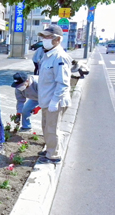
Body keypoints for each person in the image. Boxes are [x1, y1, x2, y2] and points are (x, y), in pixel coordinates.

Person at [37, 25, 72, 164]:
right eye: (44, 37)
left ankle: (53, 155)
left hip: (55, 102)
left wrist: (54, 101)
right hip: (47, 100)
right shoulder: (48, 55)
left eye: (48, 37)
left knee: (52, 129)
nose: (44, 39)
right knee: (46, 127)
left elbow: (62, 83)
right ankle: (50, 149)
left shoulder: (60, 57)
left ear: (57, 39)